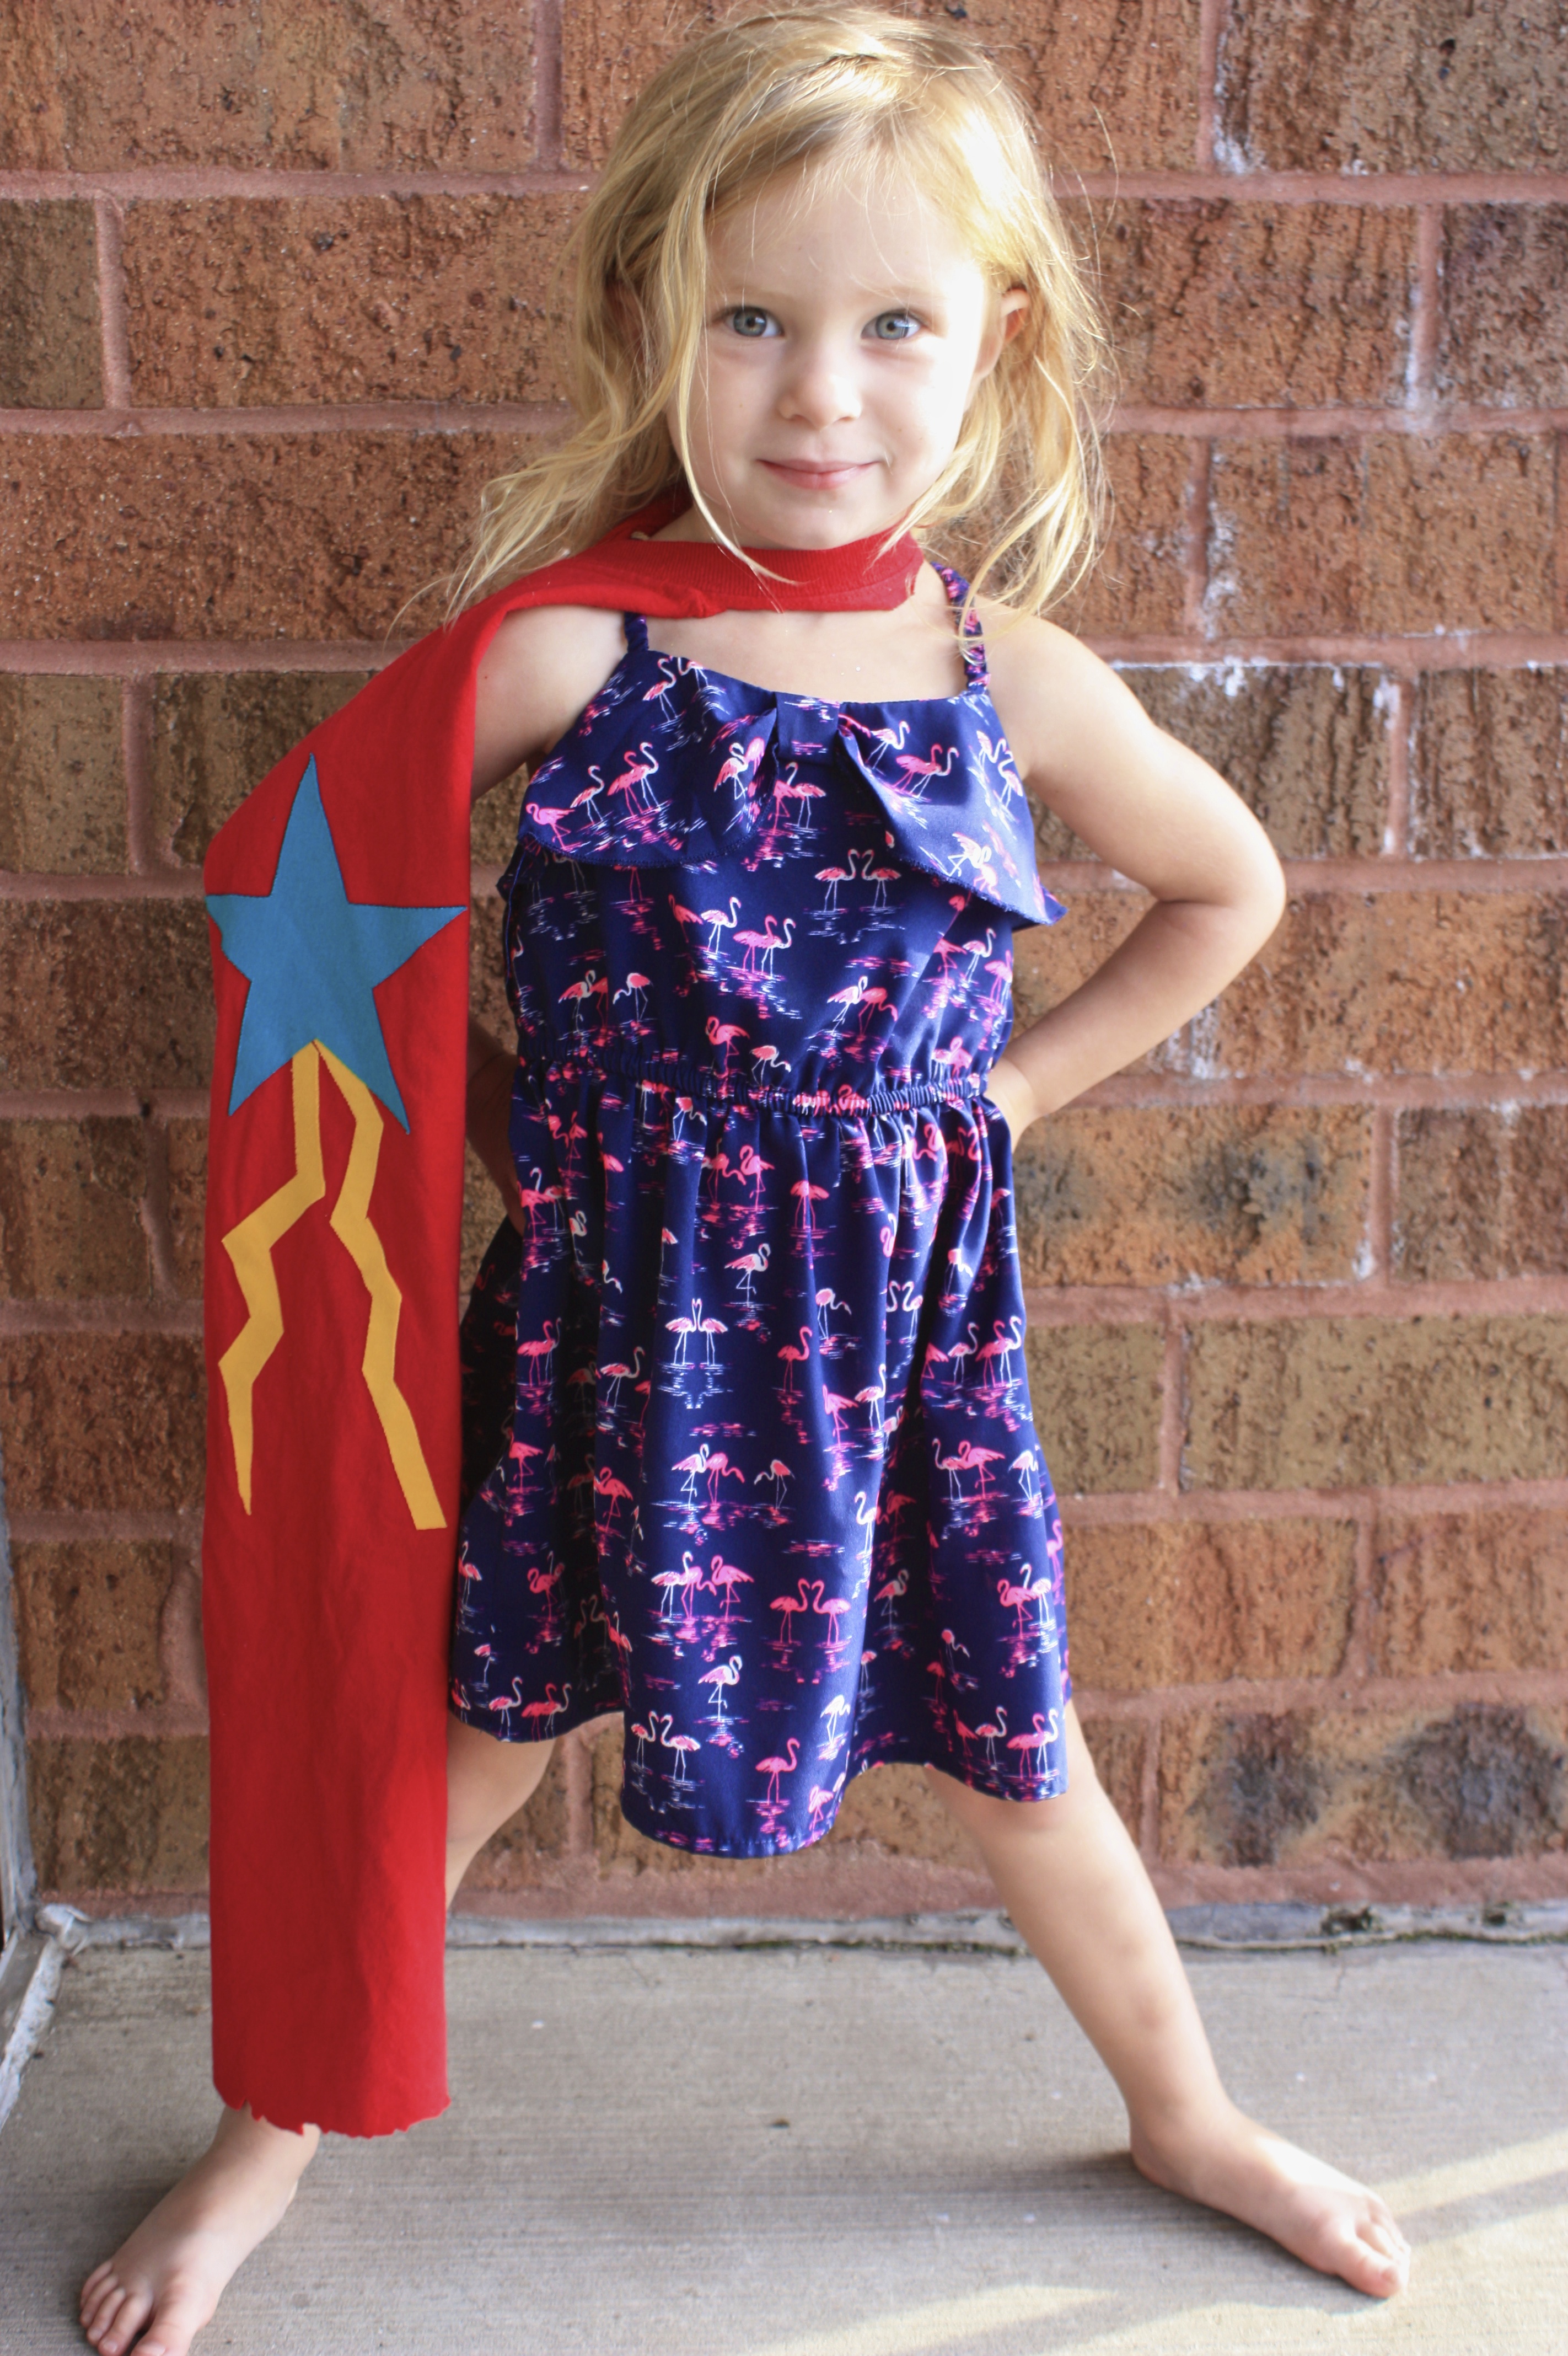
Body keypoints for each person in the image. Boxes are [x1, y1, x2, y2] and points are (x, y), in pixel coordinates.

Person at [79, 9, 1410, 2350]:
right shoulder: (569, 659)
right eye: (752, 320)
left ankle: (1188, 2114)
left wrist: (1010, 1098)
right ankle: (261, 2142)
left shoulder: (1011, 682)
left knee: (1018, 1753)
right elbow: (303, 901)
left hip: (896, 1368)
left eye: (894, 323)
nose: (821, 392)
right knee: (463, 1748)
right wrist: (500, 1124)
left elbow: (1231, 890)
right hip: (605, 1342)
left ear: (997, 344)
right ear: (649, 321)